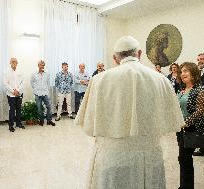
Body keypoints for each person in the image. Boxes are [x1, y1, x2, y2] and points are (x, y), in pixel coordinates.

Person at [75, 36, 184, 189]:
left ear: (115, 58)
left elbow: (90, 123)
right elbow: (170, 120)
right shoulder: (161, 80)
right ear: (139, 54)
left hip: (112, 156)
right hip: (150, 157)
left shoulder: (99, 80)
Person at [177, 62, 204, 189]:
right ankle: (185, 186)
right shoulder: (182, 89)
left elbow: (200, 111)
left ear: (193, 73)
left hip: (192, 127)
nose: (182, 74)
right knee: (183, 158)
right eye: (181, 72)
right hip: (181, 127)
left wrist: (185, 123)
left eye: (186, 71)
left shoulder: (201, 89)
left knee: (185, 157)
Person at [31, 60, 55, 126]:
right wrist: (36, 89)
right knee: (39, 108)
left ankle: (49, 120)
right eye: (41, 65)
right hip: (37, 94)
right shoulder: (34, 74)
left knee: (49, 107)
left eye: (43, 65)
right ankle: (41, 120)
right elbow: (32, 83)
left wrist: (47, 91)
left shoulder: (47, 74)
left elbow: (48, 83)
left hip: (45, 93)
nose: (42, 66)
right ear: (38, 65)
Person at [4, 58, 25, 132]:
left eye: (15, 62)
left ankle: (18, 123)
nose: (14, 63)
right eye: (12, 62)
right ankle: (11, 125)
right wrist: (13, 91)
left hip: (19, 93)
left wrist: (18, 90)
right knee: (12, 110)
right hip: (11, 94)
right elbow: (6, 83)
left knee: (19, 109)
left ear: (17, 63)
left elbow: (23, 82)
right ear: (10, 63)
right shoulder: (6, 72)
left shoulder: (20, 71)